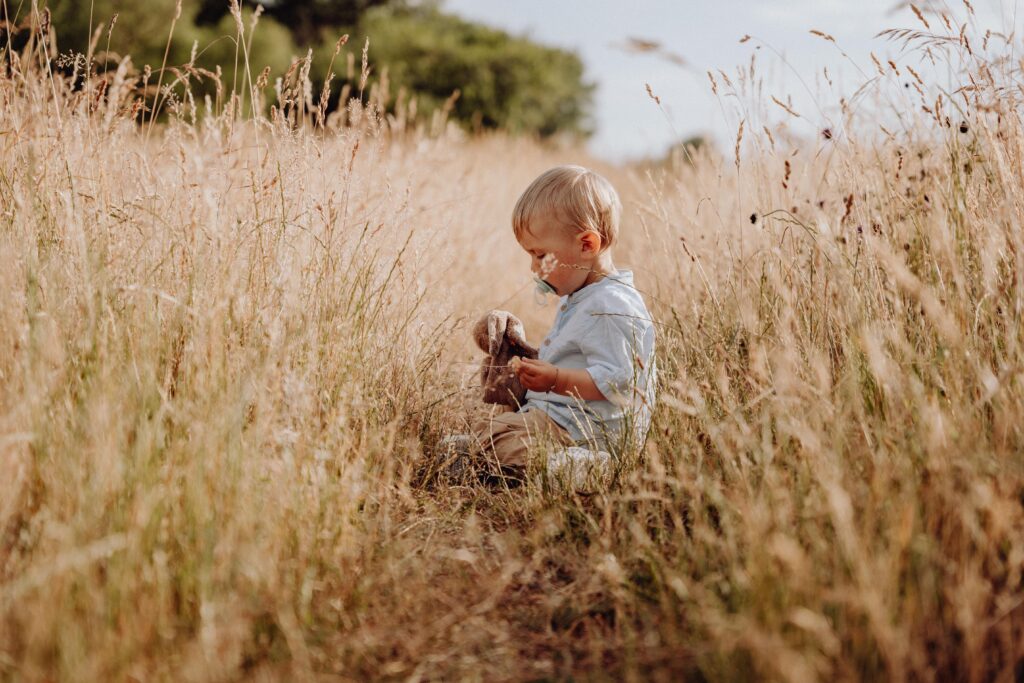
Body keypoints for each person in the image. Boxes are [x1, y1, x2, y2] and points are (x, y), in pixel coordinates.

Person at [444, 165, 656, 484]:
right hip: (558, 418)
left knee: (493, 442)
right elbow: (574, 357)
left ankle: (582, 469)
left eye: (541, 255)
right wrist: (522, 355)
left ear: (587, 245)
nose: (533, 267)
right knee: (489, 430)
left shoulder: (612, 306)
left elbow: (620, 380)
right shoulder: (583, 295)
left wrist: (555, 379)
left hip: (584, 433)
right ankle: (483, 454)